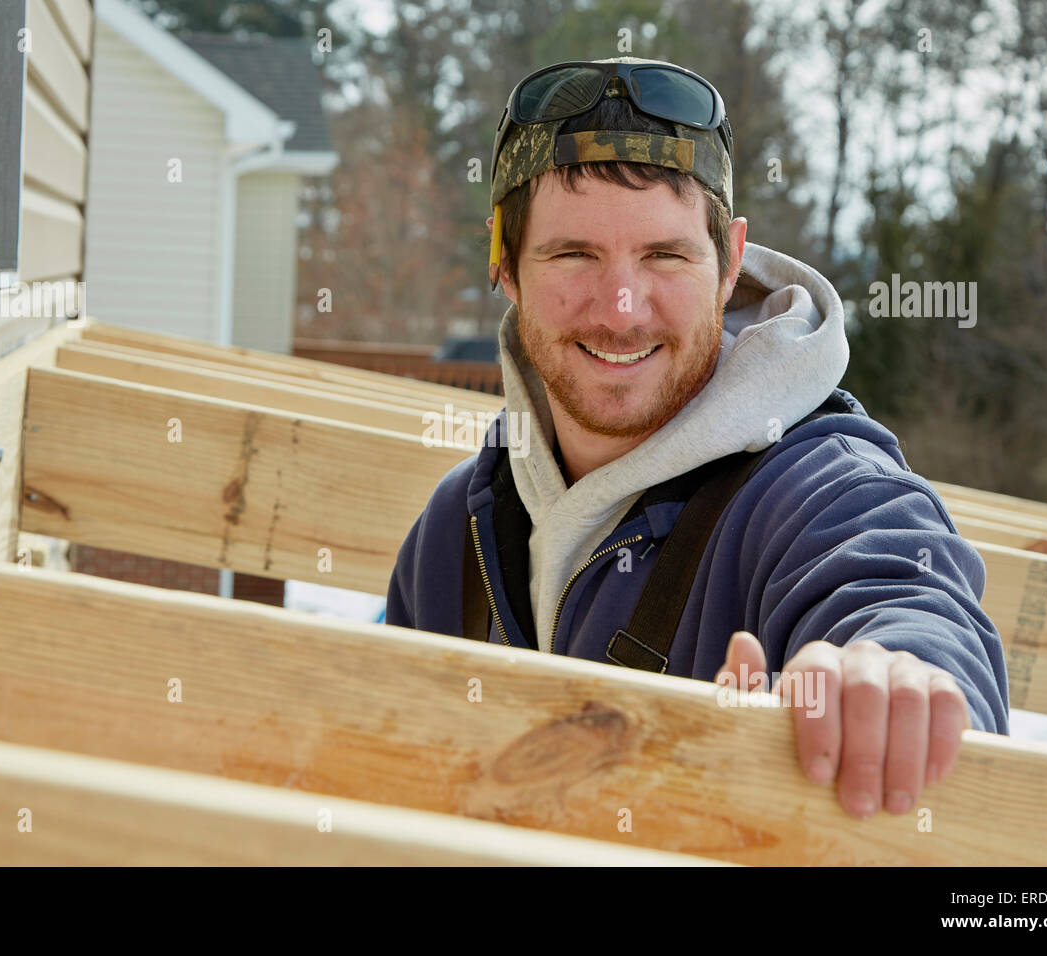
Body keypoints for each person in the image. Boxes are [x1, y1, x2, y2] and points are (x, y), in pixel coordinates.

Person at [386, 56, 1009, 820]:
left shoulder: (817, 492)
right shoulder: (457, 529)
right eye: (574, 254)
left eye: (666, 256)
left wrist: (889, 673)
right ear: (505, 264)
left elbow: (903, 597)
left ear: (729, 263)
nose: (621, 310)